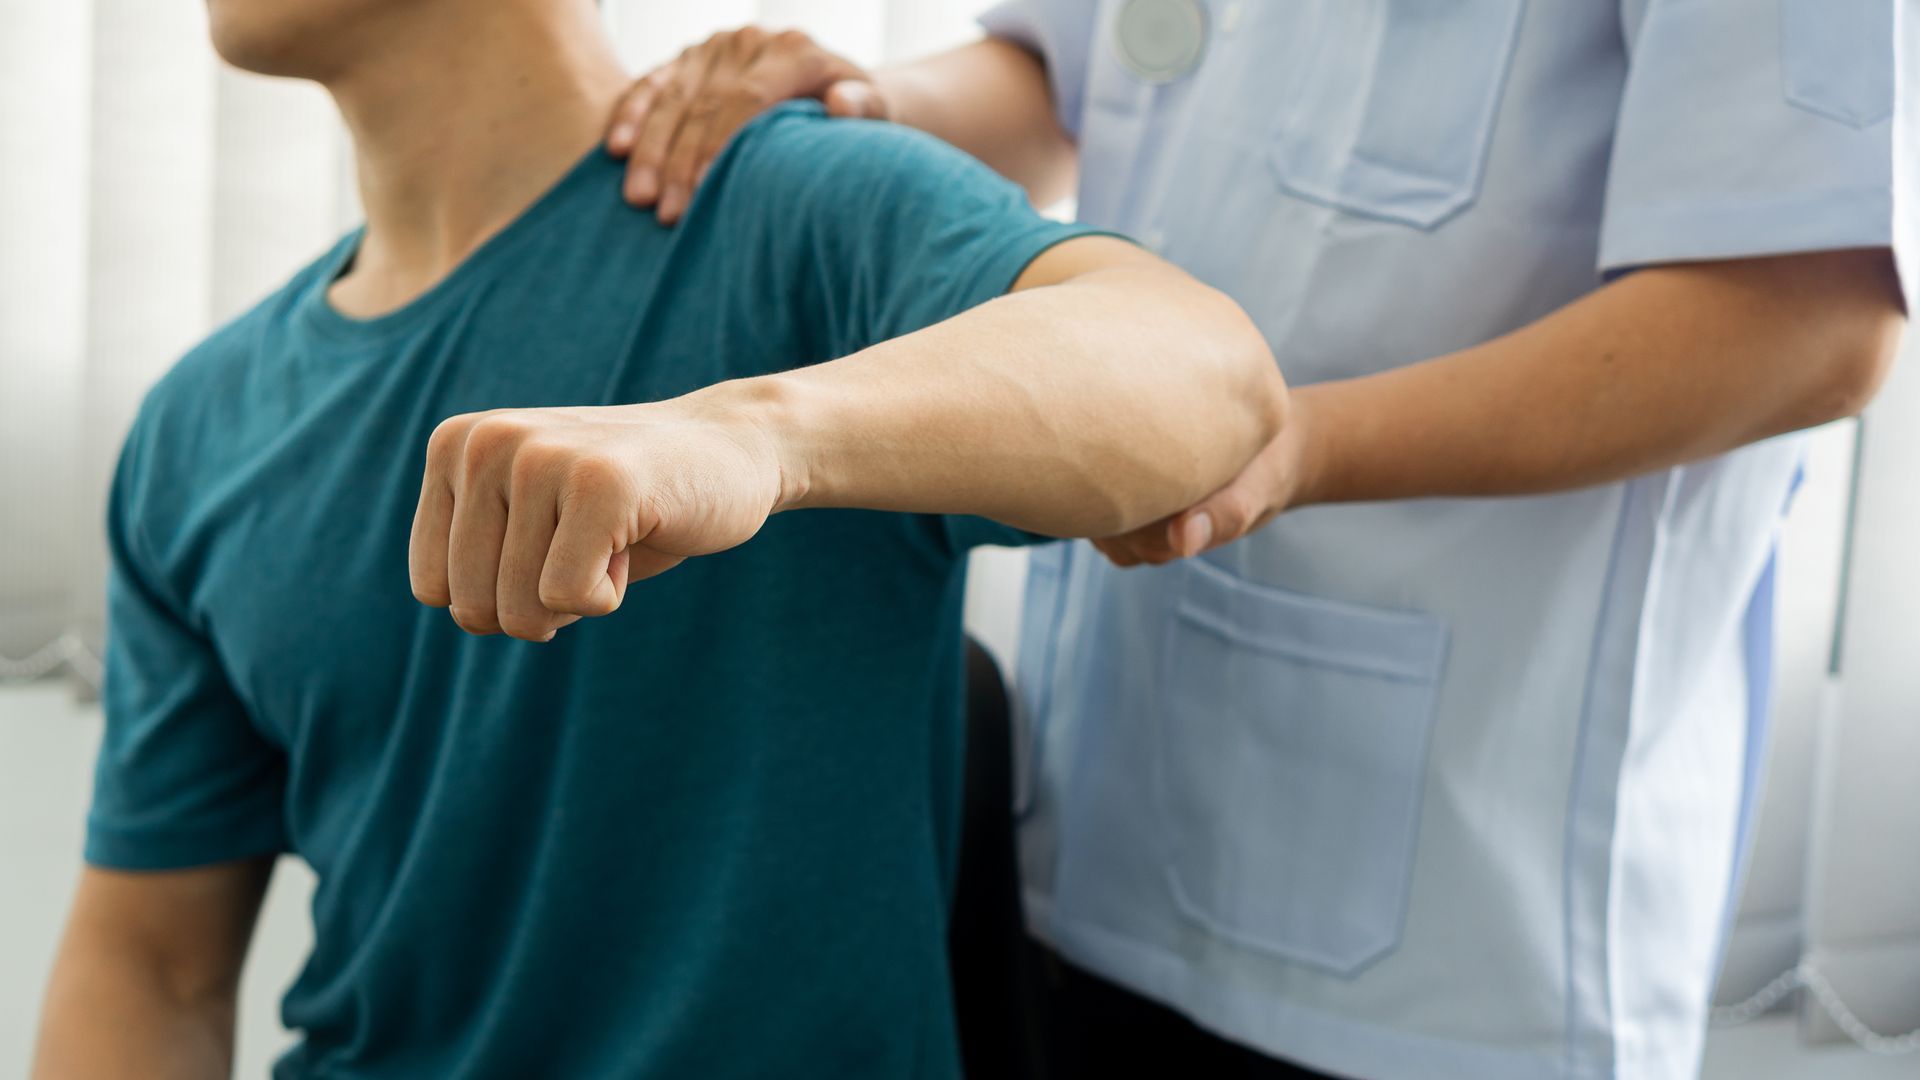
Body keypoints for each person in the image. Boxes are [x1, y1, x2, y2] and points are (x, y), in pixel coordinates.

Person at [601, 3, 1912, 1078]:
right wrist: (855, 108)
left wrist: (1296, 447)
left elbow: (1802, 318)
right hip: (1108, 804)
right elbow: (1069, 73)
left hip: (1462, 919)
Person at [28, 0, 1291, 1076]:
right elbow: (154, 960)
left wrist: (758, 438)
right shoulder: (200, 423)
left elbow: (1208, 381)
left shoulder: (798, 210)